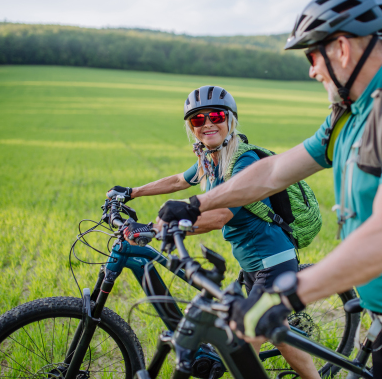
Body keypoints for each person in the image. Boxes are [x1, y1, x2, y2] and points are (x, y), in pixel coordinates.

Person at [157, 0, 382, 378]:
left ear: (342, 49)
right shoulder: (349, 116)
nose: (313, 71)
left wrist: (283, 297)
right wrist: (196, 204)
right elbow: (274, 171)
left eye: (313, 56)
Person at [107, 85, 321, 379]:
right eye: (197, 120)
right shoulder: (209, 159)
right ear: (191, 126)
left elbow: (221, 215)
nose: (207, 124)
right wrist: (132, 192)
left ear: (231, 120)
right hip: (251, 264)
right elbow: (178, 181)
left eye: (216, 116)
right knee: (270, 334)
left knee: (246, 342)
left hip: (272, 261)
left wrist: (158, 230)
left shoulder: (242, 160)